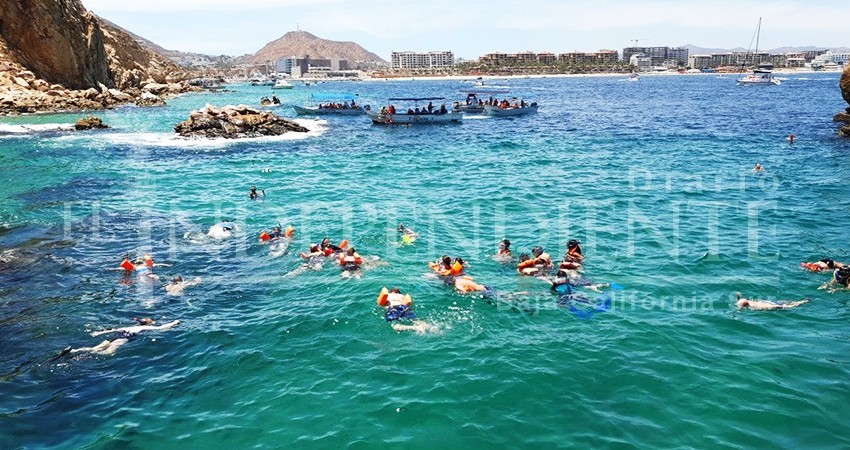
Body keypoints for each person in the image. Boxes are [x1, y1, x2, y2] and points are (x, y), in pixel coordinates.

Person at [735, 293, 808, 310]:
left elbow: (768, 306)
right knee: (790, 302)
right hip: (770, 302)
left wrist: (781, 307)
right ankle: (802, 301)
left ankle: (804, 301)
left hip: (771, 305)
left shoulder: (755, 306)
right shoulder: (751, 302)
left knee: (789, 305)